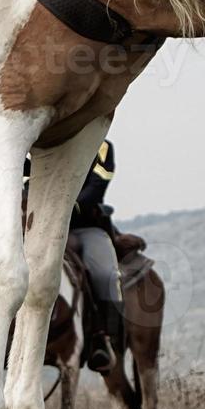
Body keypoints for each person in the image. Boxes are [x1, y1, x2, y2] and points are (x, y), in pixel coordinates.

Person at [71, 140, 126, 374]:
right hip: (42, 225)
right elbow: (25, 179)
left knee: (105, 275)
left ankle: (103, 338)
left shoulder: (101, 145)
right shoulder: (40, 140)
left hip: (86, 226)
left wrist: (64, 206)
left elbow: (97, 186)